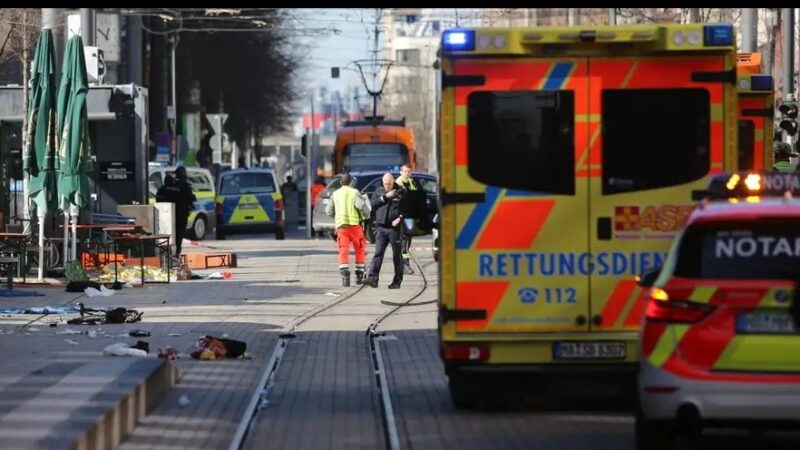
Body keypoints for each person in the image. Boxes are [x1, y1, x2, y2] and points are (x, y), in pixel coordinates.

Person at [363, 173, 405, 289]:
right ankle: (373, 278)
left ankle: (397, 281)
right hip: (381, 228)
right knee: (378, 253)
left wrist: (399, 218)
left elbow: (407, 209)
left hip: (394, 229)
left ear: (393, 182)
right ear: (383, 182)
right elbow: (371, 205)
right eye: (385, 184)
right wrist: (385, 197)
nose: (387, 186)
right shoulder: (379, 191)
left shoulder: (400, 192)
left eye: (389, 184)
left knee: (397, 255)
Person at [325, 174, 368, 286]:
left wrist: (337, 215)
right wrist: (365, 216)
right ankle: (359, 274)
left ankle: (345, 274)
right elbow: (362, 207)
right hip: (355, 227)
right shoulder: (355, 192)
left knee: (343, 250)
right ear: (351, 182)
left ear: (340, 183)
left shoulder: (335, 194)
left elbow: (328, 211)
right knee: (360, 249)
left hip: (341, 228)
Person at [156, 166, 196, 257]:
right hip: (181, 215)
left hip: (167, 216)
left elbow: (159, 199)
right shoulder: (185, 186)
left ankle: (168, 253)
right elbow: (189, 199)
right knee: (179, 235)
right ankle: (176, 253)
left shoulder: (165, 188)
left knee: (168, 235)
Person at [394, 164, 420, 275]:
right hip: (400, 217)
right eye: (405, 171)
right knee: (403, 241)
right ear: (400, 172)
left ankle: (403, 264)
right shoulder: (397, 184)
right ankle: (405, 265)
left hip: (410, 217)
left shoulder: (412, 182)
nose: (407, 174)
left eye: (409, 172)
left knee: (407, 241)